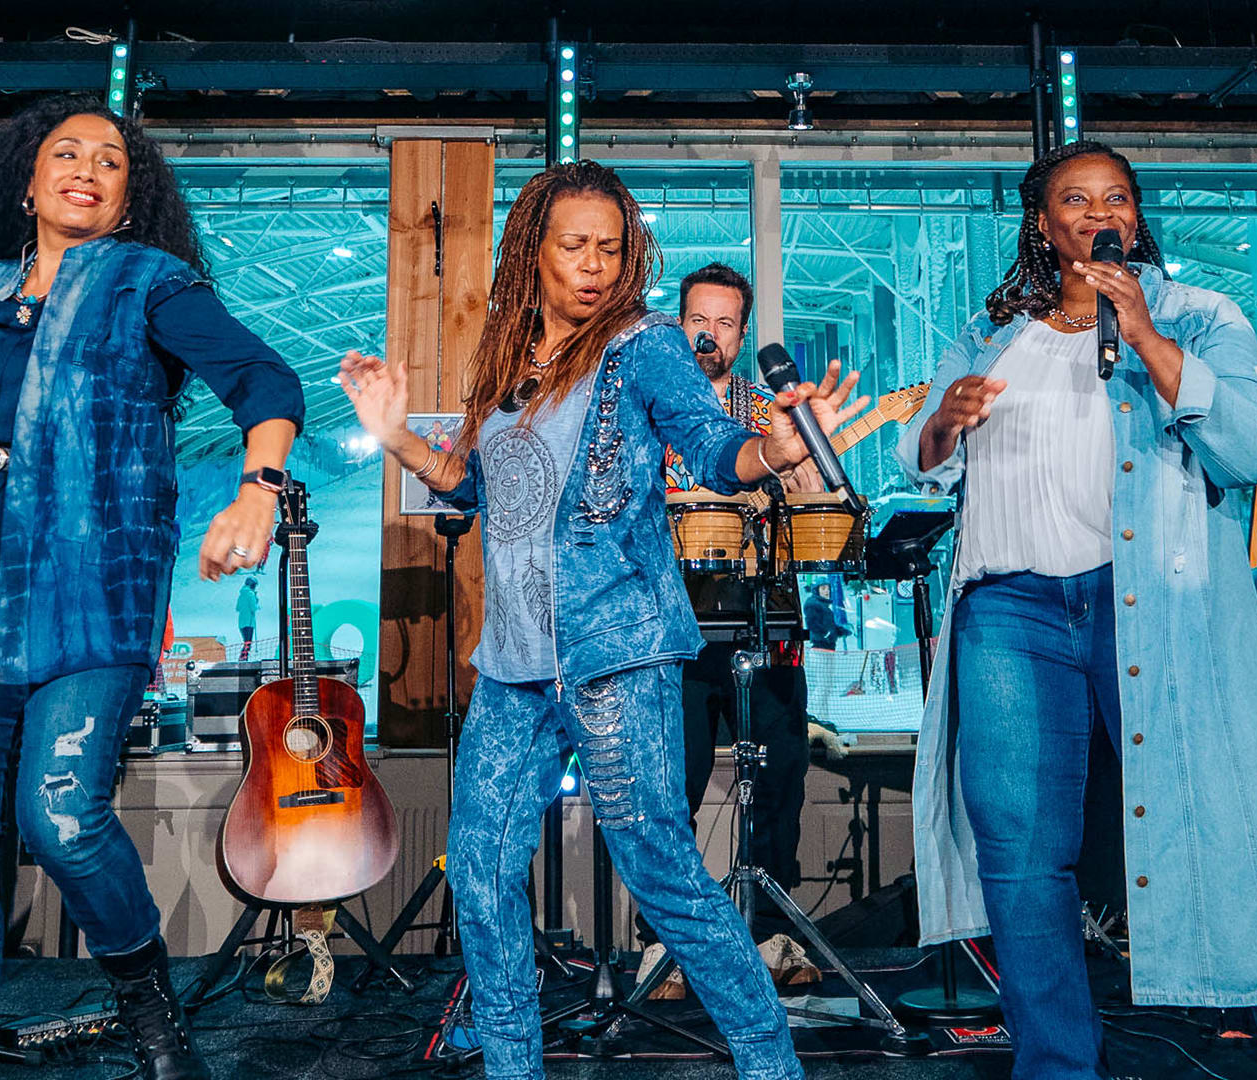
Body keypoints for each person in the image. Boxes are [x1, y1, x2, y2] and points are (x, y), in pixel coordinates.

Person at [338, 160, 865, 1080]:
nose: (593, 265)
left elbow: (711, 445)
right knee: (480, 870)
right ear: (531, 252)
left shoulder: (644, 346)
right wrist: (399, 439)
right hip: (512, 664)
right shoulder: (510, 360)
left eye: (610, 249)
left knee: (661, 871)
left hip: (616, 654)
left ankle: (769, 1063)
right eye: (574, 246)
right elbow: (478, 485)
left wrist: (769, 451)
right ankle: (513, 1065)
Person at [897, 140, 1257, 1080]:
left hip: (1150, 604)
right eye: (1075, 199)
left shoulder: (1198, 315)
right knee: (1020, 851)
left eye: (1115, 196)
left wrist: (1149, 337)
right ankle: (1056, 1064)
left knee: (1225, 821)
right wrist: (944, 420)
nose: (1097, 212)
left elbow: (1253, 447)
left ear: (1134, 214)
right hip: (1010, 608)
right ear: (1044, 224)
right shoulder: (989, 332)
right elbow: (921, 458)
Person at [0, 93, 303, 1080]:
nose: (86, 168)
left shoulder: (148, 282)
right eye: (66, 152)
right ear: (27, 182)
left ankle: (150, 1010)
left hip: (90, 578)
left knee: (60, 816)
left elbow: (266, 382)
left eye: (110, 159)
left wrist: (257, 492)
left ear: (129, 198)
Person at [639, 262, 819, 998]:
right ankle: (665, 945)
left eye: (724, 322)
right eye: (697, 320)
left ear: (742, 336)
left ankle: (770, 935)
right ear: (677, 325)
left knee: (779, 780)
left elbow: (813, 500)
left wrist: (799, 471)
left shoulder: (766, 409)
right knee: (668, 790)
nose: (708, 333)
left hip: (762, 621)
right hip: (669, 631)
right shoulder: (646, 408)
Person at [802, 584, 845, 650]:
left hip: (828, 645)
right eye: (823, 588)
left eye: (828, 589)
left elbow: (828, 624)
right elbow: (812, 624)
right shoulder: (812, 604)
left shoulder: (824, 606)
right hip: (820, 645)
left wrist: (839, 631)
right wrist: (826, 634)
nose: (827, 591)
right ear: (816, 590)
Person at [236, 577, 260, 661]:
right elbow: (254, 608)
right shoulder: (251, 594)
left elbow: (238, 608)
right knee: (248, 642)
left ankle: (243, 657)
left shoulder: (241, 595)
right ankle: (243, 658)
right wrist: (256, 601)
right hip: (249, 621)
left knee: (246, 641)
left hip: (241, 621)